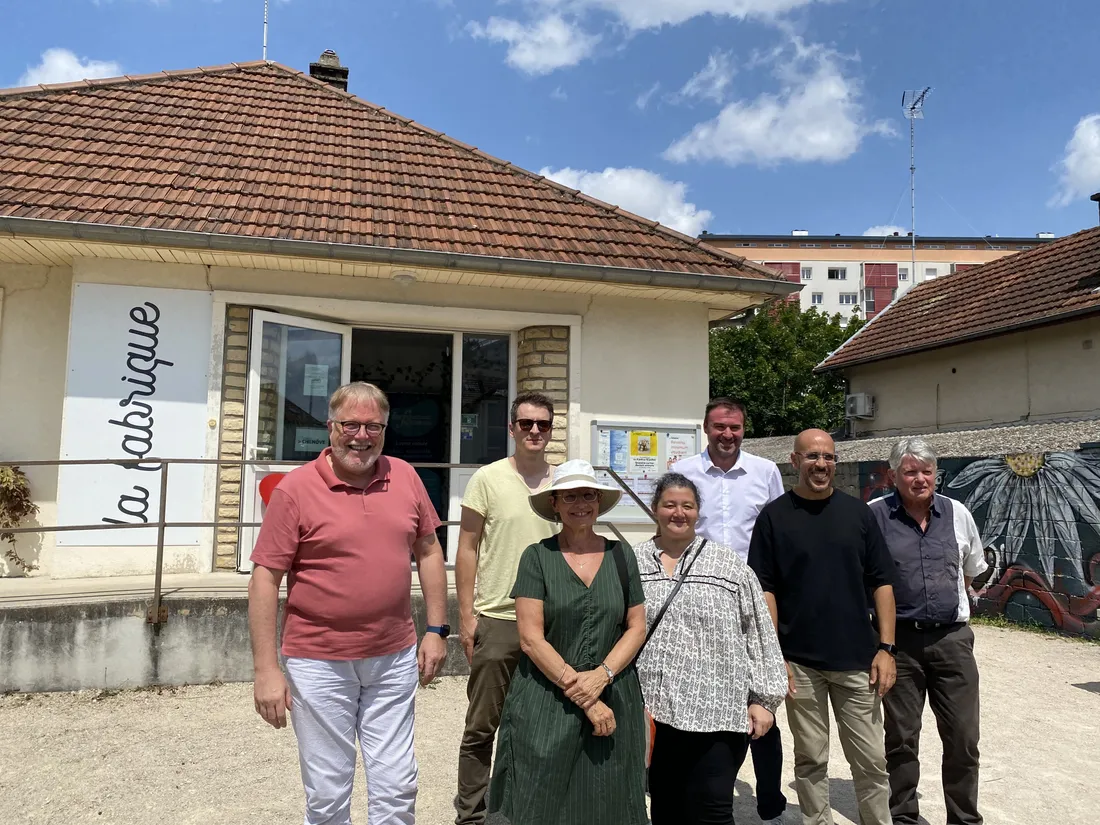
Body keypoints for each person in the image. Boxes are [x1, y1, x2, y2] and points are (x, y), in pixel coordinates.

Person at [248, 382, 449, 825]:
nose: (362, 436)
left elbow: (430, 551)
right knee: (327, 792)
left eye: (373, 426)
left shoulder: (405, 476)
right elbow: (265, 578)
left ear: (385, 428)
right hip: (318, 661)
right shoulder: (295, 489)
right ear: (330, 428)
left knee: (398, 786)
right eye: (351, 425)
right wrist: (266, 669)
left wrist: (436, 630)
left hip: (394, 656)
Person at [748, 429, 898, 825]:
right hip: (799, 663)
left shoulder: (859, 514)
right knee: (811, 759)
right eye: (812, 456)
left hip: (857, 660)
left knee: (870, 760)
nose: (821, 464)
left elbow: (882, 581)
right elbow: (765, 590)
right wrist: (774, 655)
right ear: (795, 461)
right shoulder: (774, 517)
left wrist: (887, 648)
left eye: (829, 457)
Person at [486, 460, 648, 825]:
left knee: (611, 798)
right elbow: (530, 639)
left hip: (614, 693)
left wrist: (602, 676)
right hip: (547, 697)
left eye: (588, 495)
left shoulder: (622, 556)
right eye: (570, 495)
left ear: (598, 501)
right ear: (555, 503)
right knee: (541, 796)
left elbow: (636, 627)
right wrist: (586, 696)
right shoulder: (537, 557)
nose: (580, 503)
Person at [634, 472, 788, 825]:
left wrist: (764, 700)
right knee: (665, 806)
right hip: (654, 711)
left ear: (698, 512)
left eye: (687, 505)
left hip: (718, 711)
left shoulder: (728, 564)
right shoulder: (632, 563)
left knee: (713, 809)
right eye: (669, 504)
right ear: (655, 509)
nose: (678, 512)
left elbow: (759, 631)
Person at [672, 397, 788, 824]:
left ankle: (770, 794)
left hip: (753, 596)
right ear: (706, 428)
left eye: (735, 427)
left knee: (761, 689)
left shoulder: (765, 472)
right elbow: (672, 527)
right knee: (702, 688)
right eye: (719, 426)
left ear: (744, 428)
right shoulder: (684, 473)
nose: (727, 434)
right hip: (696, 597)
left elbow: (779, 531)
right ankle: (697, 779)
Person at [868, 438, 988, 825]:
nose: (919, 479)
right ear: (893, 476)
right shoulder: (873, 517)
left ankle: (964, 818)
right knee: (901, 737)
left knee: (963, 738)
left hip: (952, 641)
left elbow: (971, 569)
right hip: (897, 644)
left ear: (936, 474)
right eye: (910, 471)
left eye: (926, 471)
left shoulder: (957, 513)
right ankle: (905, 816)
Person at [454, 391, 558, 825]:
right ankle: (472, 815)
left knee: (544, 727)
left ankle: (530, 807)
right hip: (498, 617)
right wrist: (466, 616)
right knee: (482, 727)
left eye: (543, 424)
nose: (535, 431)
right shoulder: (488, 479)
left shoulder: (565, 483)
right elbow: (466, 546)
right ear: (512, 428)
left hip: (554, 622)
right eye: (527, 423)